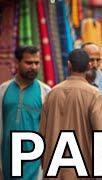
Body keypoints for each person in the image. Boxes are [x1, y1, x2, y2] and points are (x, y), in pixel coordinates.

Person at [39, 49, 102, 179]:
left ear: (69, 65)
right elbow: (101, 134)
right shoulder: (94, 94)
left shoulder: (52, 93)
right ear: (89, 66)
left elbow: (42, 134)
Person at [0, 46, 51, 180]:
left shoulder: (45, 92)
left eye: (37, 63)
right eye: (29, 63)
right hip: (7, 161)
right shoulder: (3, 90)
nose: (34, 67)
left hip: (34, 164)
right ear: (17, 63)